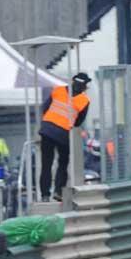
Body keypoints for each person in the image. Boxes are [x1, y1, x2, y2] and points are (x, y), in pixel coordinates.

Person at [39, 72, 91, 201]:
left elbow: (45, 108)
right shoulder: (84, 101)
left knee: (46, 164)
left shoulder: (58, 90)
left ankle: (45, 195)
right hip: (63, 133)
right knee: (62, 162)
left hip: (46, 130)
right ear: (84, 86)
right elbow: (78, 122)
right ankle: (58, 191)